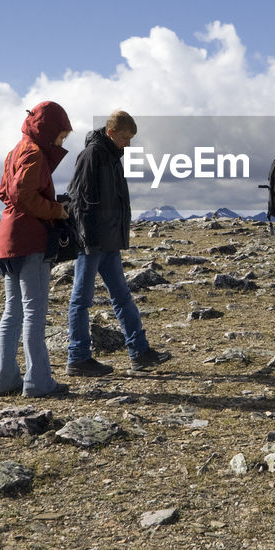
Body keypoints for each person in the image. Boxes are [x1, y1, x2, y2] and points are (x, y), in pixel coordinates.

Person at [65, 110, 171, 375]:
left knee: (122, 297)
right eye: (125, 137)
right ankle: (77, 357)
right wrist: (88, 239)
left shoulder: (112, 156)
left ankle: (140, 352)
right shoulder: (93, 155)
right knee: (81, 300)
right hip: (92, 243)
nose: (129, 144)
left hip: (108, 241)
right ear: (111, 133)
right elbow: (80, 199)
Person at [0, 101, 73, 398]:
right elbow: (24, 195)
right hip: (30, 239)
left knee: (12, 312)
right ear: (48, 129)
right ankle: (39, 381)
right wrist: (56, 211)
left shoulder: (15, 151)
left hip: (8, 239)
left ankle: (3, 379)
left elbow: (5, 192)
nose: (61, 142)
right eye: (61, 135)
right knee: (33, 313)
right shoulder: (35, 153)